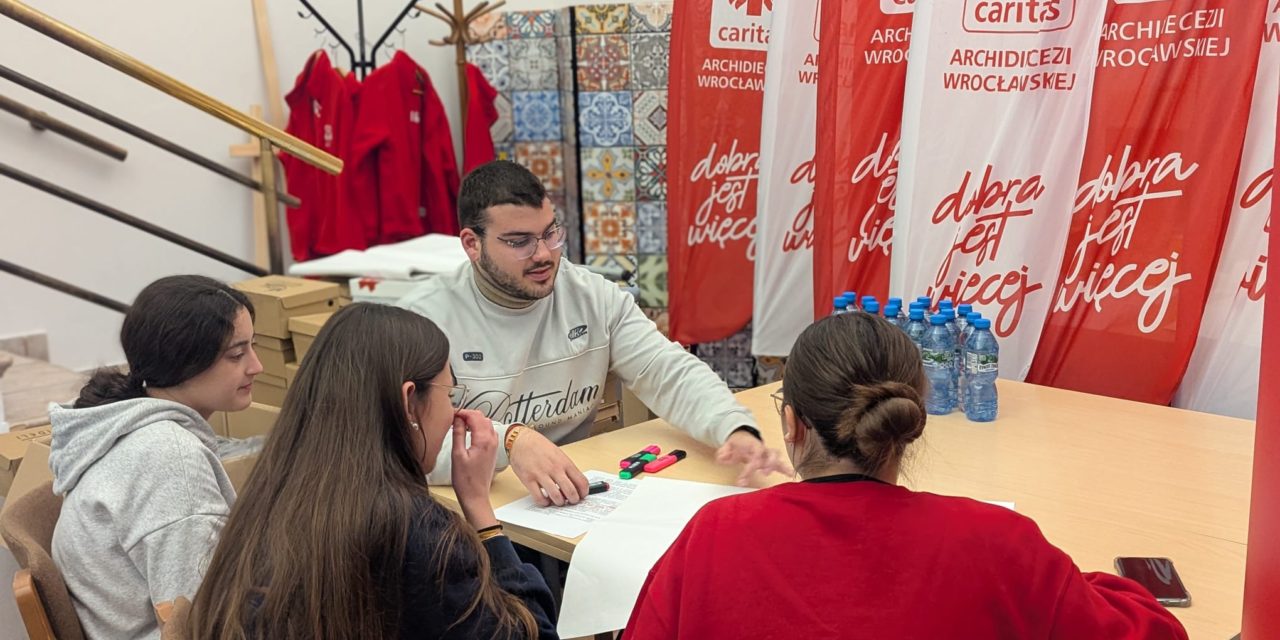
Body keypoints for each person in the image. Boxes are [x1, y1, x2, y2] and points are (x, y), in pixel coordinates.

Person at [625, 312, 1189, 639]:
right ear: (910, 419)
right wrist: (1075, 580)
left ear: (792, 424)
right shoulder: (996, 543)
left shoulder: (716, 532)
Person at [399, 160, 788, 506]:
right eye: (519, 242)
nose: (543, 254)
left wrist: (733, 427)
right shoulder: (424, 318)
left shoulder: (591, 295)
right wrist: (512, 441)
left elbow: (666, 370)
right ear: (472, 244)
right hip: (473, 509)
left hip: (575, 499)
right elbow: (403, 442)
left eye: (551, 233)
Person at [187, 303, 558, 639]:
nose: (453, 414)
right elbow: (535, 633)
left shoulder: (270, 496)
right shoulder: (413, 529)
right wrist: (480, 511)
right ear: (409, 401)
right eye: (449, 395)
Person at [49, 275, 262, 639]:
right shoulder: (171, 462)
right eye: (237, 355)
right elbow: (198, 621)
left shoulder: (122, 425)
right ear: (184, 360)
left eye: (252, 347)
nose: (255, 366)